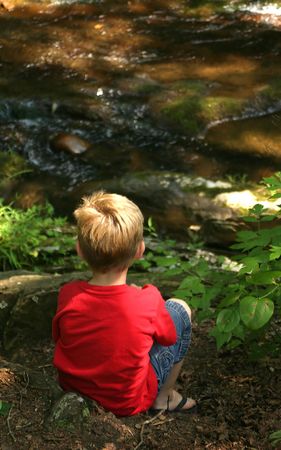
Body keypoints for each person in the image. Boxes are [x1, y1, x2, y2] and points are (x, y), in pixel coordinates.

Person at [52, 191, 196, 417]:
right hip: (127, 403)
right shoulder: (148, 299)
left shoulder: (68, 294)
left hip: (74, 389)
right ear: (140, 250)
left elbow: (59, 337)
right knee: (180, 308)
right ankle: (164, 396)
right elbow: (168, 338)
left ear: (79, 250)